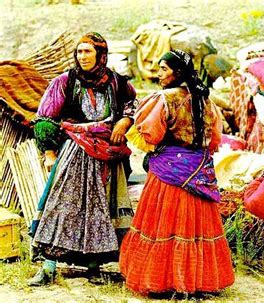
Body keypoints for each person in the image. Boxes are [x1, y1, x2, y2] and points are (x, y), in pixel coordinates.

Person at [119, 49, 235, 295]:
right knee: (195, 226)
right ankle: (198, 280)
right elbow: (214, 138)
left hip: (169, 172)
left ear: (177, 73)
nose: (159, 74)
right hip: (198, 170)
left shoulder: (164, 99)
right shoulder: (205, 100)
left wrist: (155, 149)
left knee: (164, 222)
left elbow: (150, 133)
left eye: (164, 69)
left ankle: (163, 279)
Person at [28, 32, 136, 286]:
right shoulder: (65, 81)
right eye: (79, 52)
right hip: (75, 152)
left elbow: (133, 103)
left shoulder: (117, 83)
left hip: (107, 155)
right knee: (62, 206)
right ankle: (48, 267)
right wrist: (49, 153)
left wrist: (125, 120)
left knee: (101, 211)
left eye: (88, 51)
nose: (83, 57)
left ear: (101, 54)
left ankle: (94, 266)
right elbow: (44, 118)